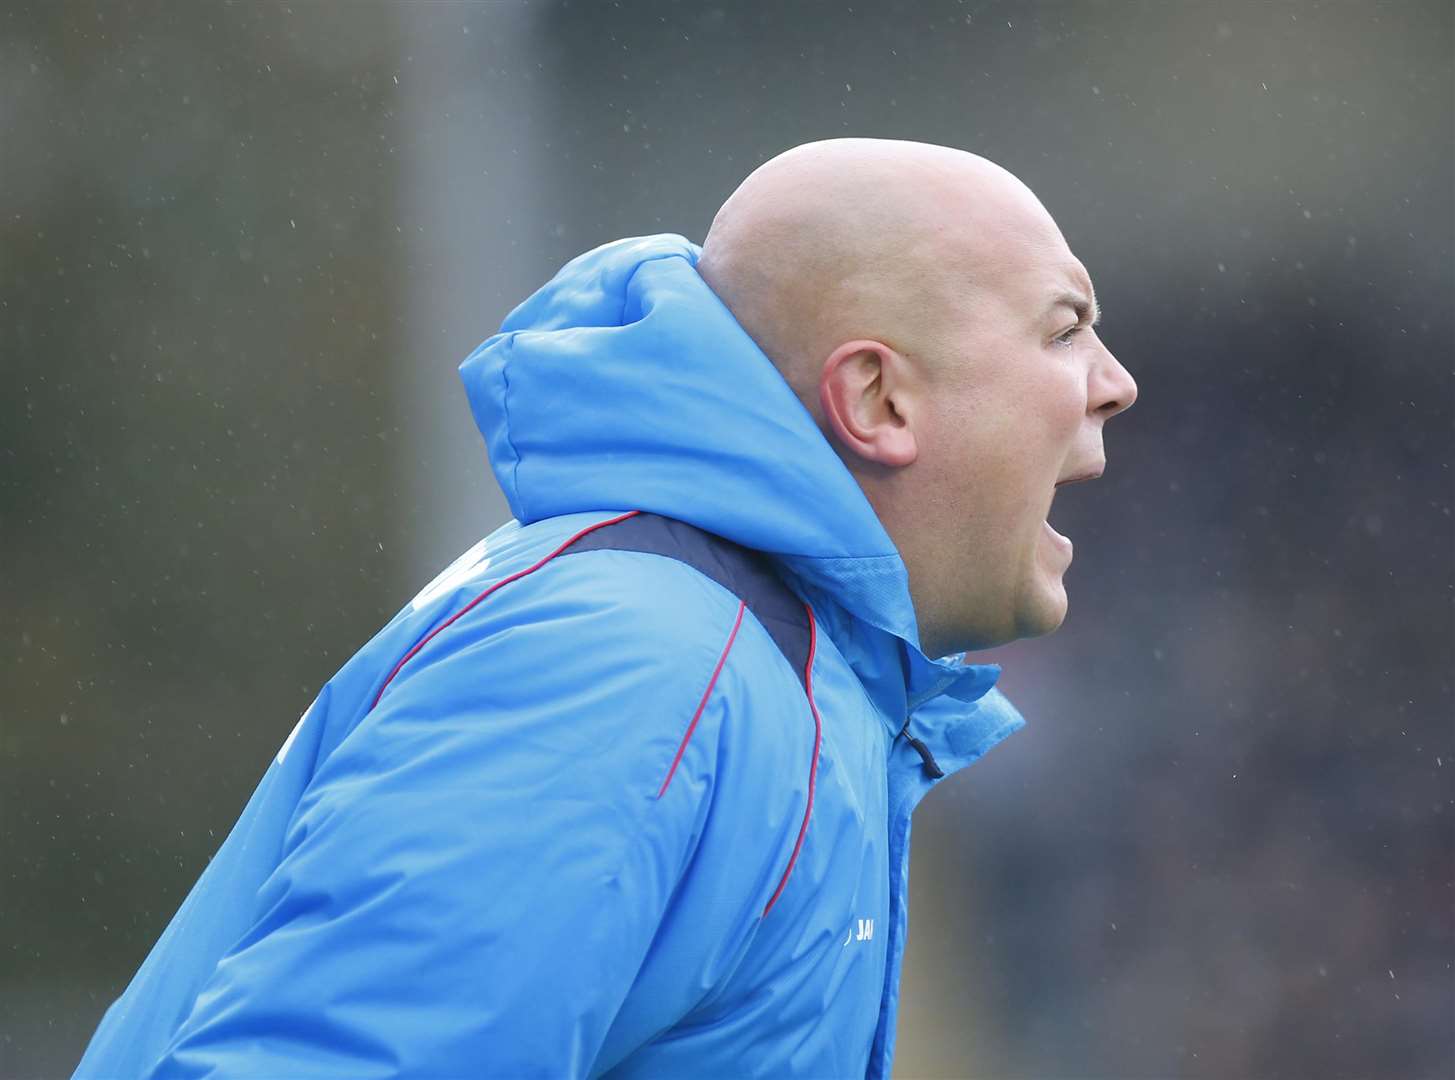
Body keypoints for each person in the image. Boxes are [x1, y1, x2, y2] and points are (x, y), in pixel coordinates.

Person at [73, 138, 1136, 1079]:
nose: (1114, 381)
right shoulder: (642, 662)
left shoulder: (770, 670)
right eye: (1064, 329)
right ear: (877, 401)